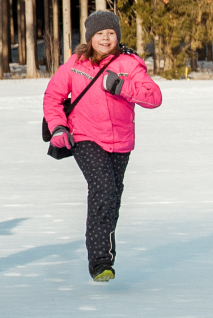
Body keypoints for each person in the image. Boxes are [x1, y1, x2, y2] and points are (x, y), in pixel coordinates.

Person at [42, 10, 163, 282]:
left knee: (112, 197)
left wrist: (122, 86)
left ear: (117, 36)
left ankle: (105, 256)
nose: (106, 38)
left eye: (110, 33)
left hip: (121, 142)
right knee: (103, 187)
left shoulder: (129, 63)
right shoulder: (76, 64)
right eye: (100, 33)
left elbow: (154, 97)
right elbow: (53, 96)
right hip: (84, 136)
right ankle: (99, 262)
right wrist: (58, 127)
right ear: (90, 37)